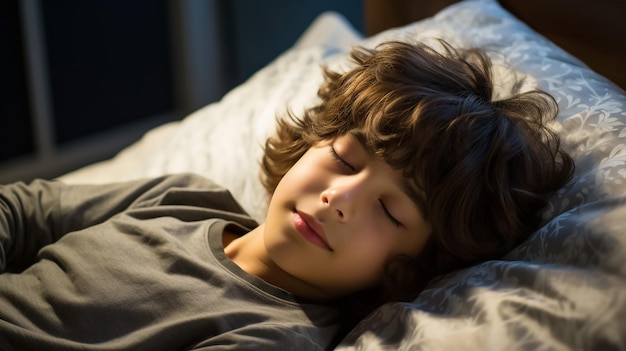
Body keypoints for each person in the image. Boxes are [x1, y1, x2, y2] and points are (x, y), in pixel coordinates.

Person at [0, 40, 574, 351]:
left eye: (390, 210)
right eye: (346, 160)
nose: (339, 199)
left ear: (414, 267)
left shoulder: (274, 335)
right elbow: (24, 208)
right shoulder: (184, 196)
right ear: (309, 144)